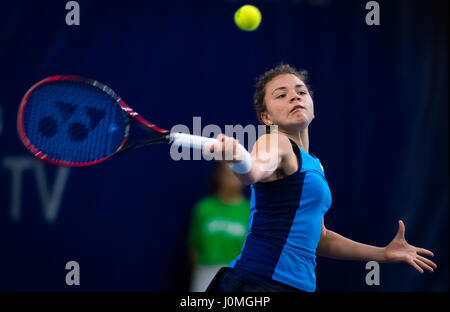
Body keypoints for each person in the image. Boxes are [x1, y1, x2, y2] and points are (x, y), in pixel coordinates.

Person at [203, 64, 437, 292]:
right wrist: (238, 160)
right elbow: (254, 171)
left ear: (313, 109)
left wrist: (383, 253)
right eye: (281, 95)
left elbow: (320, 238)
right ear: (267, 118)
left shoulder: (315, 165)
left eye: (301, 92)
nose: (295, 97)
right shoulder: (275, 142)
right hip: (256, 282)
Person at [188, 161, 250, 292]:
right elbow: (193, 246)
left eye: (235, 174)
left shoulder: (250, 212)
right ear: (218, 176)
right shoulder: (204, 209)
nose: (231, 179)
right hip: (205, 273)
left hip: (236, 276)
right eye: (226, 174)